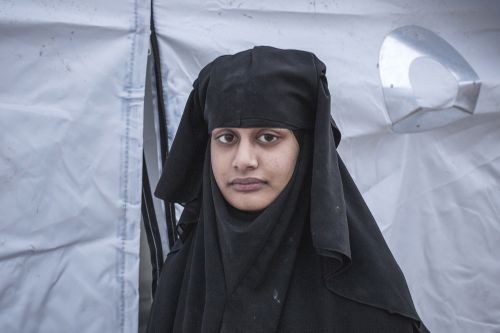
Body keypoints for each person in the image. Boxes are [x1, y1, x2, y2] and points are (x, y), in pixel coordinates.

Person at [147, 46, 429, 332]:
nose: (243, 160)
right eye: (227, 138)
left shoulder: (366, 302)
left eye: (268, 137)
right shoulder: (182, 273)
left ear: (306, 148)